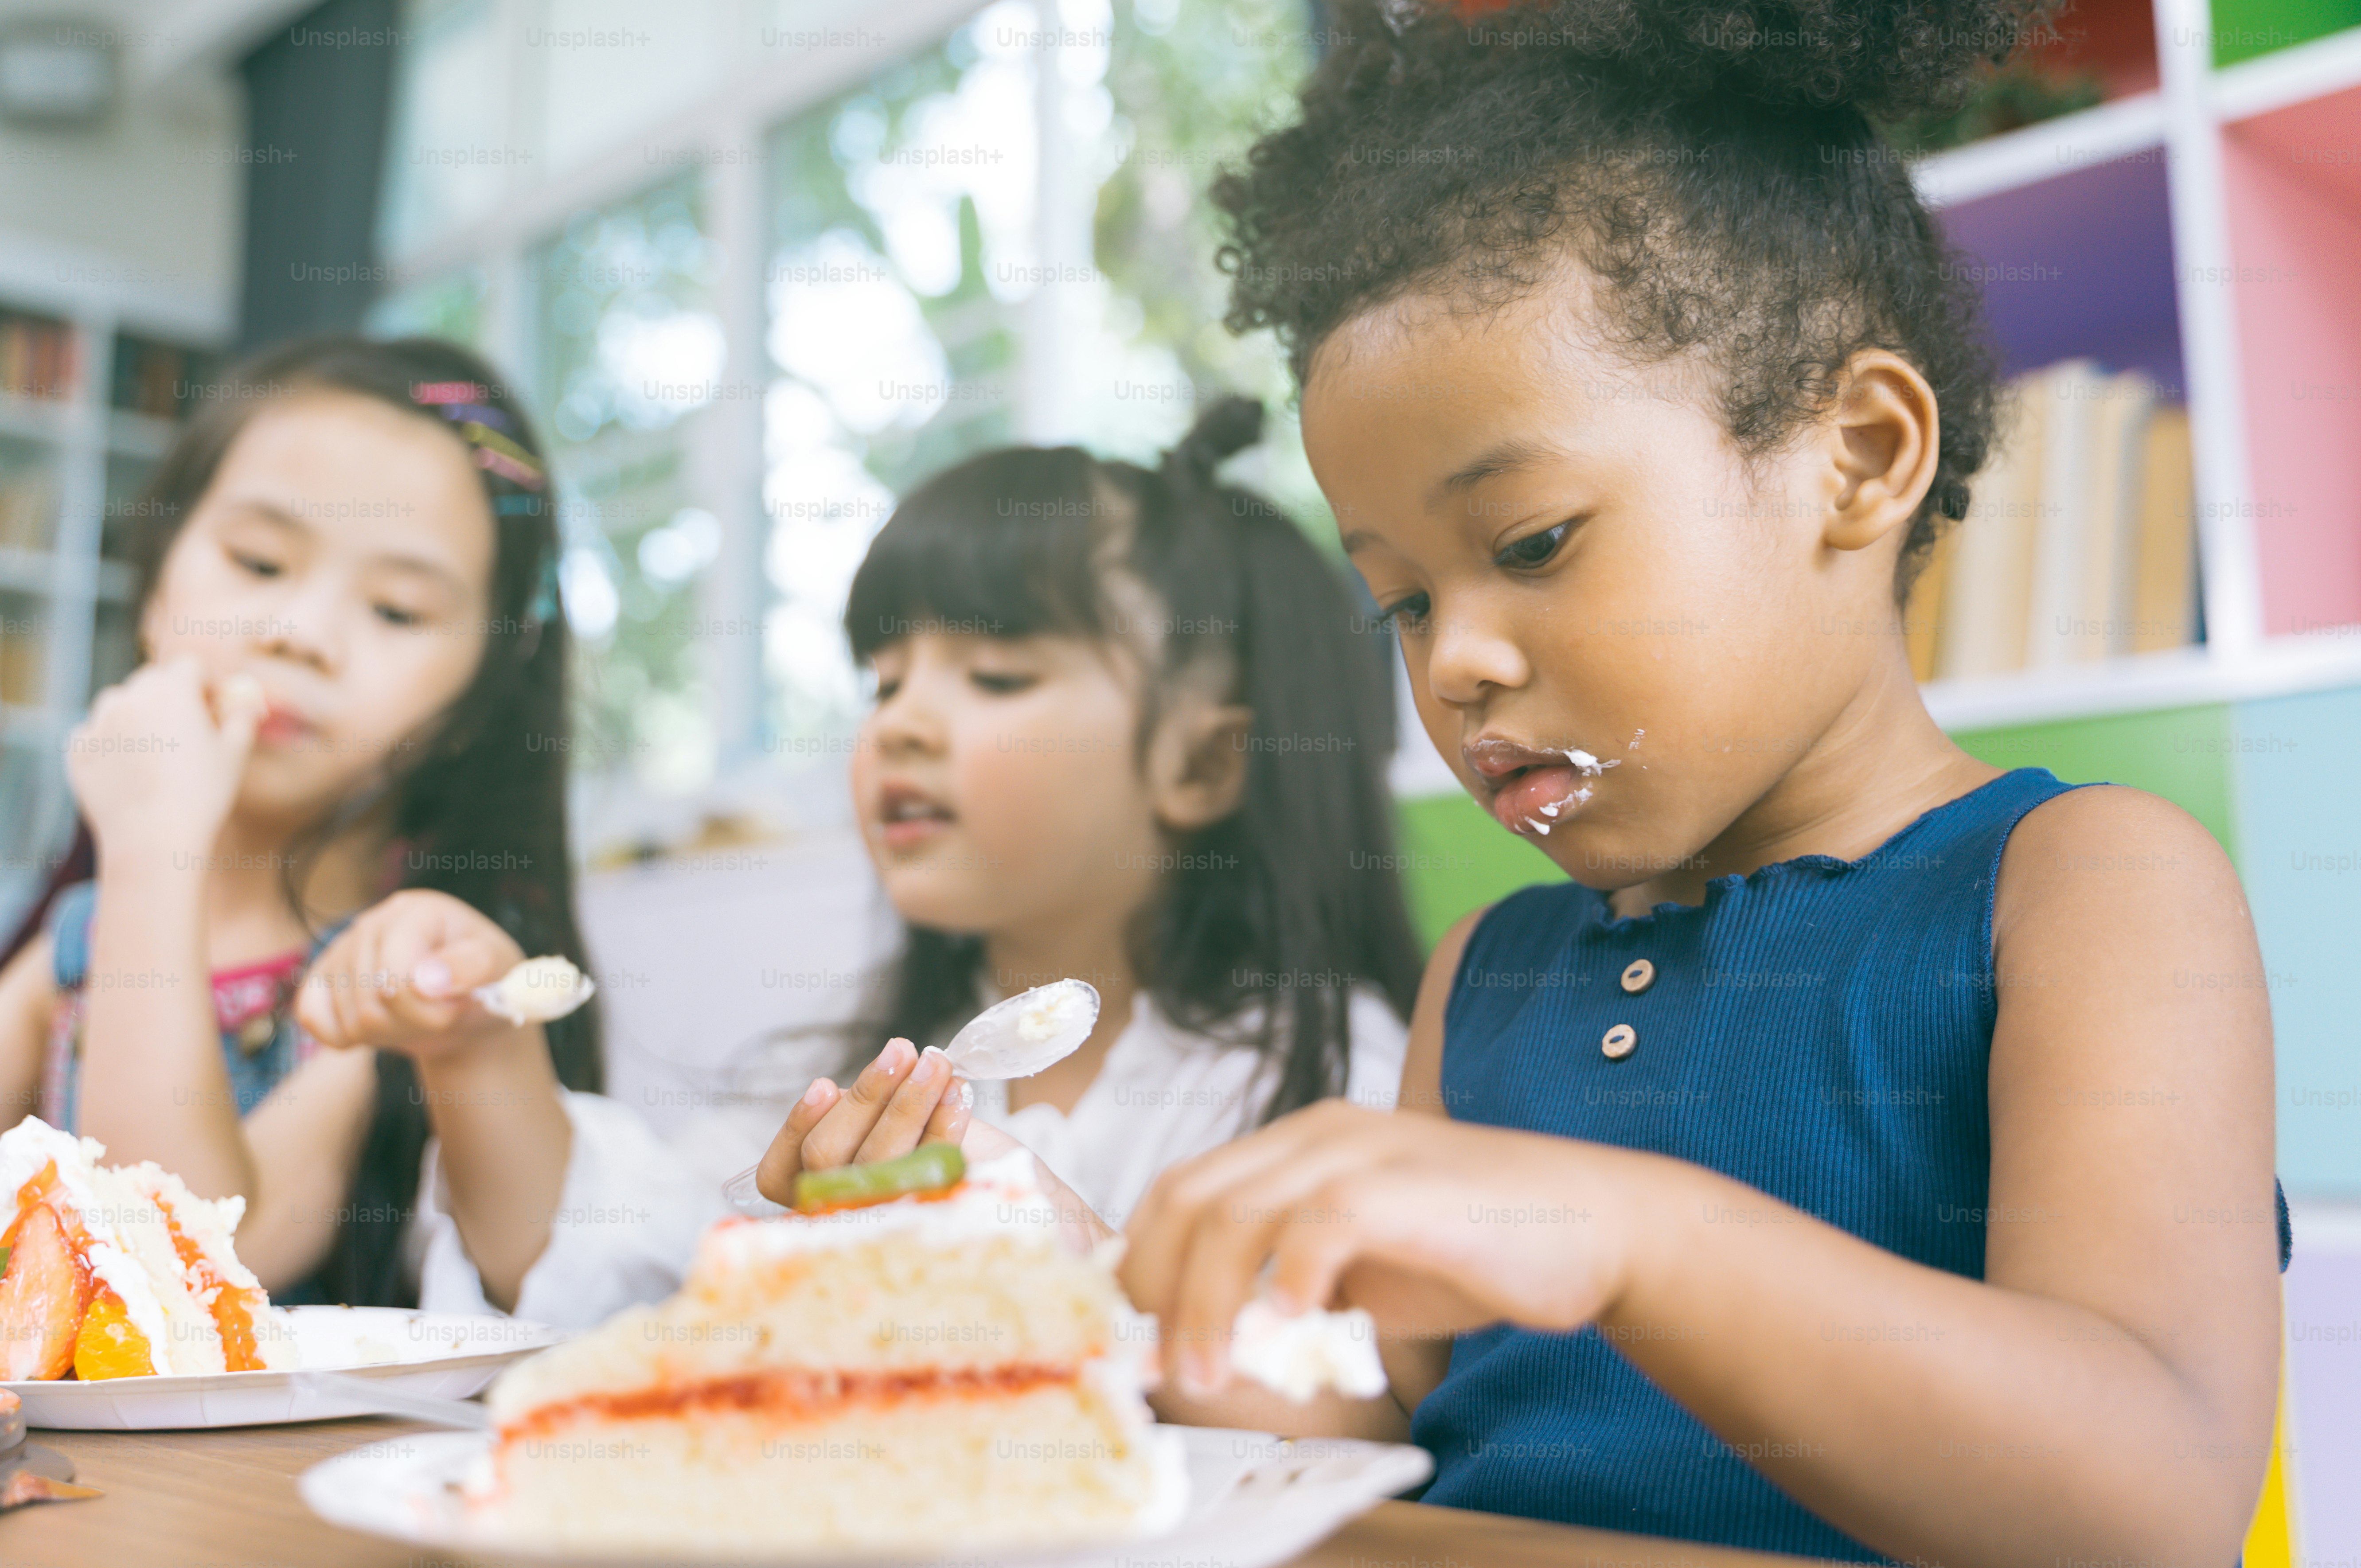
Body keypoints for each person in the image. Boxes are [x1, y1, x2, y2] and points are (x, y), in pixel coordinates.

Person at [809, 4, 2289, 1562]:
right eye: (1399, 599)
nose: (1452, 662)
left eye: (1529, 544)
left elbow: (2153, 1495)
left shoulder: (2084, 885)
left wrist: (1627, 1234)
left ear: (1854, 453)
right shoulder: (1492, 971)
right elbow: (1367, 1407)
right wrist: (1052, 1264)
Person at [414, 396, 1426, 1320]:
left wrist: (1071, 1255)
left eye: (995, 673)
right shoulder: (859, 1077)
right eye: (884, 682)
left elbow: (1336, 1396)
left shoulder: (1335, 1081)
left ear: (1203, 763)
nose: (902, 724)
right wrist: (473, 1046)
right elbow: (602, 1278)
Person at [0, 337, 601, 1310]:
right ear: (156, 585)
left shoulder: (405, 976)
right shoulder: (74, 943)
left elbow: (177, 1275)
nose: (303, 633)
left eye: (398, 610)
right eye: (260, 559)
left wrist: (154, 848)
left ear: (473, 700)